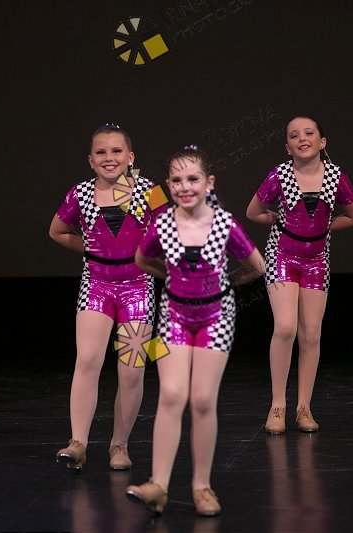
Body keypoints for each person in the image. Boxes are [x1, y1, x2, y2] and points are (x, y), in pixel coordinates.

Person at [126, 145, 265, 517]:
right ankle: (158, 485)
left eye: (192, 179)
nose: (184, 186)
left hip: (217, 316)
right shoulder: (162, 224)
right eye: (176, 180)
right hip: (172, 315)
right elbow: (142, 259)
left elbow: (258, 266)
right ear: (169, 184)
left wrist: (223, 284)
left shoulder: (224, 224)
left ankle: (202, 486)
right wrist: (170, 277)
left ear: (209, 183)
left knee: (202, 399)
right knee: (171, 394)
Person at [49, 124, 169, 471]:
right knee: (87, 359)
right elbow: (57, 230)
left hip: (138, 289)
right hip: (96, 286)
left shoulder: (151, 191)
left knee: (131, 371)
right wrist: (90, 249)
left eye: (116, 151)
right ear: (90, 160)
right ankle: (78, 442)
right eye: (100, 152)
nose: (109, 158)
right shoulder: (80, 194)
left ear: (131, 157)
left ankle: (119, 444)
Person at [246, 116, 353, 434]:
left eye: (309, 133)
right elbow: (253, 211)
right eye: (294, 135)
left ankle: (304, 408)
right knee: (285, 327)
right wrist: (277, 219)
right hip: (282, 256)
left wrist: (324, 228)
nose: (302, 138)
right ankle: (278, 405)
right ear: (287, 147)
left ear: (322, 142)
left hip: (316, 261)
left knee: (311, 334)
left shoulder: (336, 177)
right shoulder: (279, 175)